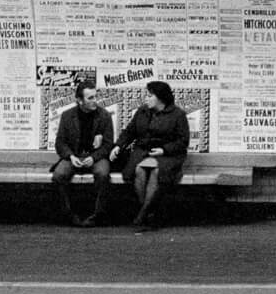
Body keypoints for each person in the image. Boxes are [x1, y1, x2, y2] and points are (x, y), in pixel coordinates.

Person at [110, 80, 189, 230]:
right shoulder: (142, 111)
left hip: (168, 155)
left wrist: (164, 150)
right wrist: (118, 146)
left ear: (160, 97)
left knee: (157, 172)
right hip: (143, 152)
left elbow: (182, 141)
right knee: (139, 170)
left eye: (150, 95)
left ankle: (143, 215)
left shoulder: (178, 115)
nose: (146, 98)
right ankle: (148, 214)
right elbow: (129, 132)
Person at [51, 81, 115, 228]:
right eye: (90, 98)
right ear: (79, 101)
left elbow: (108, 144)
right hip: (74, 156)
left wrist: (93, 158)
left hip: (96, 156)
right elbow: (60, 143)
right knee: (58, 175)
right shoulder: (67, 116)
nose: (95, 101)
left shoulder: (104, 115)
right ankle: (67, 214)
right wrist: (71, 157)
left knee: (103, 174)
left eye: (95, 97)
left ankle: (98, 215)